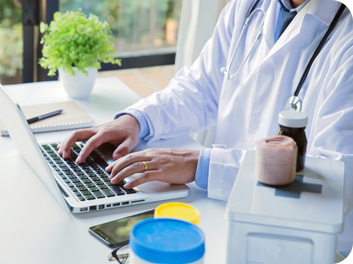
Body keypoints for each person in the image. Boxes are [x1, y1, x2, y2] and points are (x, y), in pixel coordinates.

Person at [59, 0, 353, 253]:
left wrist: (204, 165)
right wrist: (136, 120)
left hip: (305, 244)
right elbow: (200, 88)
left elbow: (336, 177)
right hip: (225, 216)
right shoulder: (249, 6)